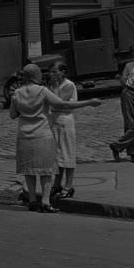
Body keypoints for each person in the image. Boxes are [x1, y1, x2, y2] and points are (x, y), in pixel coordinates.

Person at [9, 63, 101, 213]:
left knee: (29, 171)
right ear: (35, 76)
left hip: (24, 135)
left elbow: (13, 115)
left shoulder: (16, 93)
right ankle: (45, 202)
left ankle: (32, 201)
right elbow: (63, 103)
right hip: (42, 134)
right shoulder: (43, 91)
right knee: (46, 171)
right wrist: (89, 102)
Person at [47, 61, 79, 199]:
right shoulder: (51, 85)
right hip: (54, 120)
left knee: (67, 153)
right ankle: (57, 183)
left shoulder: (68, 85)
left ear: (63, 72)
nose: (52, 74)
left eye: (55, 72)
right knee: (57, 155)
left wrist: (54, 104)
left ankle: (68, 185)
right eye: (51, 72)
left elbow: (60, 102)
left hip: (65, 121)